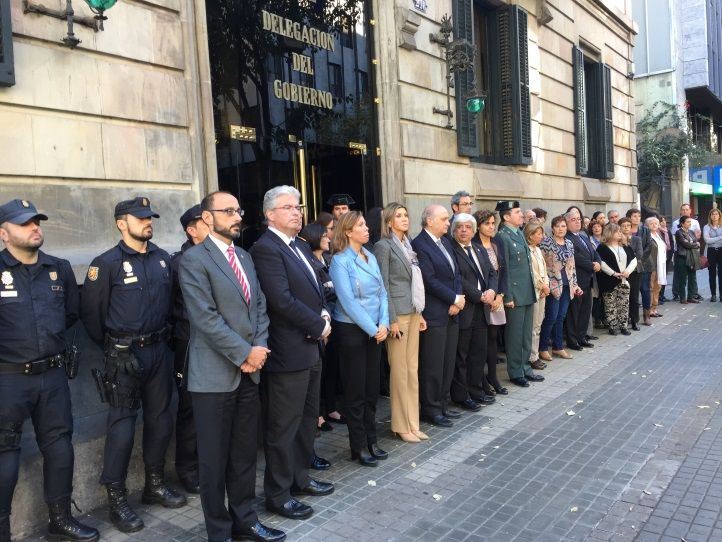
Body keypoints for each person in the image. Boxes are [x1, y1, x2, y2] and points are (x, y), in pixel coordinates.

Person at [178, 192, 285, 542]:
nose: (237, 216)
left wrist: (260, 346)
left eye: (238, 210)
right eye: (228, 211)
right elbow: (205, 319)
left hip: (249, 372)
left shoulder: (243, 255)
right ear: (207, 218)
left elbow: (260, 306)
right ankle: (219, 531)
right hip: (213, 378)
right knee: (213, 461)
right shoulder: (194, 260)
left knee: (243, 455)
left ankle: (246, 522)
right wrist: (244, 353)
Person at [80, 197, 186, 534]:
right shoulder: (105, 264)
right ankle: (117, 499)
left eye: (149, 217)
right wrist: (115, 346)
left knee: (160, 419)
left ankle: (153, 485)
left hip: (159, 350)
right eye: (139, 218)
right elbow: (92, 318)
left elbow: (170, 304)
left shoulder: (162, 260)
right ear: (121, 223)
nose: (147, 222)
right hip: (124, 357)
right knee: (122, 427)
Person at [0, 200, 99, 542]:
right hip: (8, 379)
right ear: (4, 233)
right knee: (5, 454)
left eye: (37, 221)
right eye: (25, 223)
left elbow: (71, 313)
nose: (34, 227)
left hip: (52, 377)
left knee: (59, 446)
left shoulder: (58, 268)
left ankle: (60, 518)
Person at [249, 186, 334, 521]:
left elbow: (317, 289)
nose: (297, 212)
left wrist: (324, 314)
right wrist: (317, 323)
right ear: (270, 214)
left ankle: (299, 478)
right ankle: (278, 493)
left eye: (298, 206)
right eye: (288, 207)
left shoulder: (298, 245)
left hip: (310, 347)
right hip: (288, 352)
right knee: (283, 427)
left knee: (304, 423)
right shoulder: (265, 249)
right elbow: (280, 300)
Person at [329, 211, 389, 465]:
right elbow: (347, 301)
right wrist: (372, 328)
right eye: (361, 225)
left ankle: (372, 440)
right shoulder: (340, 261)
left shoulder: (371, 257)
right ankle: (359, 446)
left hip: (376, 329)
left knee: (371, 389)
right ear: (347, 231)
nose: (367, 229)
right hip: (353, 331)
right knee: (355, 393)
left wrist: (384, 323)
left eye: (365, 224)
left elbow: (383, 292)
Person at [373, 203, 428, 443]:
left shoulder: (408, 244)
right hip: (398, 316)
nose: (404, 219)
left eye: (406, 214)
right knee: (399, 373)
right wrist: (391, 318)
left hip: (414, 312)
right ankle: (400, 424)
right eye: (398, 215)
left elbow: (413, 281)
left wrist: (420, 312)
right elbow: (382, 285)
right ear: (388, 221)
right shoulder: (383, 246)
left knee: (412, 371)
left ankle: (412, 423)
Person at [412, 205, 465, 427]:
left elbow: (456, 273)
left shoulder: (445, 242)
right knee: (432, 365)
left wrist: (459, 297)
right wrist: (453, 298)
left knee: (447, 362)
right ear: (429, 221)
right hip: (434, 313)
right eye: (444, 219)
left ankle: (442, 404)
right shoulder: (420, 244)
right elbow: (429, 280)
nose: (447, 223)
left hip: (452, 311)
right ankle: (431, 409)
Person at [169, 204, 209, 495]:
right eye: (203, 221)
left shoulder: (219, 256)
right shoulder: (178, 262)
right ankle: (188, 469)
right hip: (190, 342)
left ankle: (211, 463)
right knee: (191, 410)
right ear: (191, 230)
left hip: (217, 343)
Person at [450, 213, 497, 411]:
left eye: (468, 227)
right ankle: (462, 396)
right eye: (459, 227)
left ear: (474, 230)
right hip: (465, 308)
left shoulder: (478, 248)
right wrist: (479, 295)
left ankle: (476, 390)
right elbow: (458, 278)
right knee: (462, 355)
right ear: (453, 230)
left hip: (482, 309)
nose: (463, 230)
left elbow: (492, 273)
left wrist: (493, 291)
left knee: (479, 353)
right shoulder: (451, 250)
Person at [495, 200, 543, 388]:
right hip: (515, 294)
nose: (521, 215)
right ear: (506, 217)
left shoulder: (519, 234)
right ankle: (515, 371)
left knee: (525, 335)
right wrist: (508, 296)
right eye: (517, 212)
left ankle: (525, 368)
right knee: (514, 336)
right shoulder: (503, 236)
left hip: (527, 291)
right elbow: (504, 268)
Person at [298, 223, 336, 435]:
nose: (329, 238)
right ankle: (317, 415)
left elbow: (328, 295)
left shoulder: (326, 260)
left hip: (327, 323)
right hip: (314, 329)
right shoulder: (309, 261)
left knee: (327, 372)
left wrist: (326, 318)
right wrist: (320, 324)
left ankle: (327, 409)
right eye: (324, 235)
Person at [472, 210, 508, 395]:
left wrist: (500, 295)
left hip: (497, 297)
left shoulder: (496, 243)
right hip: (482, 298)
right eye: (487, 223)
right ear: (478, 226)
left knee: (493, 339)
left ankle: (493, 376)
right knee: (482, 341)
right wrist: (489, 296)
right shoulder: (474, 244)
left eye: (493, 223)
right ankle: (482, 380)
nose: (492, 226)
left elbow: (503, 271)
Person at [539, 216, 581, 361]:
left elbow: (572, 266)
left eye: (563, 226)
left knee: (561, 317)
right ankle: (543, 348)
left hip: (567, 284)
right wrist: (545, 284)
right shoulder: (546, 243)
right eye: (557, 226)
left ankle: (558, 347)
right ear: (552, 228)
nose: (561, 229)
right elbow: (541, 265)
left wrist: (575, 285)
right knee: (551, 317)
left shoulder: (569, 243)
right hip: (552, 286)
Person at [564, 206, 600, 351]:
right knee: (574, 313)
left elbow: (594, 252)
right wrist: (592, 265)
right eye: (573, 220)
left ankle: (581, 337)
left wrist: (598, 262)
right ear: (566, 222)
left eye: (579, 219)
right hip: (577, 281)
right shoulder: (567, 238)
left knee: (585, 311)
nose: (577, 222)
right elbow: (576, 258)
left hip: (588, 280)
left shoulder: (584, 236)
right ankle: (572, 340)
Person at [596, 223, 636, 336]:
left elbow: (634, 260)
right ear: (609, 233)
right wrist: (613, 273)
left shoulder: (625, 246)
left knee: (624, 304)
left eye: (620, 231)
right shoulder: (602, 247)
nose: (620, 233)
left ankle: (623, 326)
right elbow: (601, 262)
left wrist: (628, 271)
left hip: (624, 280)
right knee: (610, 305)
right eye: (617, 231)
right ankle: (612, 326)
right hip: (609, 280)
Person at [525, 219, 550, 370]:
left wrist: (546, 285)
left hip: (543, 292)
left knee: (539, 324)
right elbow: (532, 274)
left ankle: (535, 354)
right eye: (538, 233)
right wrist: (541, 287)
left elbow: (544, 271)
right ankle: (532, 357)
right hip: (534, 292)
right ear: (530, 234)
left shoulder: (538, 250)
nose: (541, 236)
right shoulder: (527, 250)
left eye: (541, 233)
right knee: (533, 326)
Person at [671, 204, 702, 301]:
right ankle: (682, 297)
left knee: (692, 277)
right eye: (688, 222)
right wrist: (695, 245)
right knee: (682, 278)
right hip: (682, 257)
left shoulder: (691, 232)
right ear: (682, 223)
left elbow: (696, 240)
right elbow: (686, 244)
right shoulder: (679, 232)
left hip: (692, 257)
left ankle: (691, 296)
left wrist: (694, 243)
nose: (690, 223)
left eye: (690, 222)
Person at [619, 217, 644, 328]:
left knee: (634, 297)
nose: (626, 227)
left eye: (628, 225)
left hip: (635, 272)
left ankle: (634, 320)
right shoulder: (617, 240)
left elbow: (639, 255)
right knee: (623, 297)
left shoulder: (636, 239)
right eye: (623, 225)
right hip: (621, 272)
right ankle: (623, 320)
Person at [643, 216, 666, 318]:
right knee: (651, 287)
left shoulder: (658, 235)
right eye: (651, 223)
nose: (654, 225)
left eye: (656, 223)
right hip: (650, 265)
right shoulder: (646, 235)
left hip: (660, 265)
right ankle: (649, 310)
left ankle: (654, 308)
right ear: (647, 225)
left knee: (658, 287)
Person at [703, 208, 722, 301]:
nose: (714, 216)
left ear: (719, 216)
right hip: (711, 251)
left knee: (721, 274)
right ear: (710, 216)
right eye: (713, 214)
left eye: (716, 214)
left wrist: (713, 239)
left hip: (721, 251)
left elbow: (710, 240)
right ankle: (713, 295)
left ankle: (721, 295)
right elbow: (707, 240)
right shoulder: (706, 227)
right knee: (712, 273)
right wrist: (720, 237)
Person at [658, 216, 673, 303]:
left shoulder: (667, 231)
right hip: (661, 257)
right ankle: (658, 296)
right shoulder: (658, 232)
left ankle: (662, 295)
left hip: (667, 257)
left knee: (664, 277)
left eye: (664, 221)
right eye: (661, 221)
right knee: (659, 277)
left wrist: (670, 255)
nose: (663, 223)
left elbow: (671, 243)